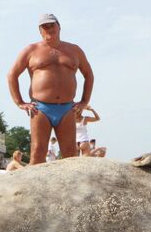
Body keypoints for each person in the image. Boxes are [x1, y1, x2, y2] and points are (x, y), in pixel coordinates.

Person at [7, 13, 94, 165]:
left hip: (67, 108)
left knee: (70, 154)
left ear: (59, 27)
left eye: (51, 25)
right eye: (44, 26)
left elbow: (89, 75)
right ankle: (33, 189)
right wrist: (20, 102)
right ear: (40, 31)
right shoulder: (31, 50)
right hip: (40, 108)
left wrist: (84, 101)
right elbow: (12, 75)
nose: (48, 29)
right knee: (37, 152)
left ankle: (70, 188)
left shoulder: (74, 50)